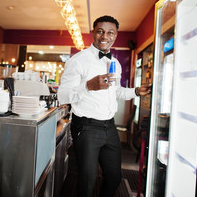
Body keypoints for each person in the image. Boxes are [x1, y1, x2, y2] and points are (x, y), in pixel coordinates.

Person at [58, 15, 152, 197]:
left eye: (110, 32)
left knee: (114, 176)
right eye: (100, 31)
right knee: (87, 181)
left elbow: (116, 91)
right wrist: (87, 86)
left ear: (115, 36)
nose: (104, 36)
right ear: (93, 33)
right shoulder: (78, 60)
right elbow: (62, 95)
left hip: (109, 126)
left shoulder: (114, 63)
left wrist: (136, 91)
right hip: (86, 127)